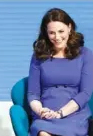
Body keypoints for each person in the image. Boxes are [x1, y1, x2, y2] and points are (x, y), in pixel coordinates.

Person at [27, 8, 93, 136]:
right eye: (52, 33)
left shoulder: (86, 54)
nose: (57, 37)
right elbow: (32, 94)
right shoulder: (38, 56)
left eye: (61, 31)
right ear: (46, 33)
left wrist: (60, 113)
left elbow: (85, 93)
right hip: (47, 114)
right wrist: (41, 110)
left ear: (69, 28)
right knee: (42, 132)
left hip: (75, 114)